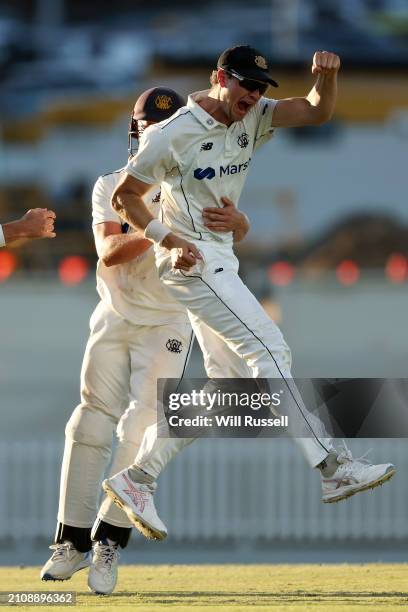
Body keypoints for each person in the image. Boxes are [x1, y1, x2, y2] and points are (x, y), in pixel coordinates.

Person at [102, 45, 395, 540]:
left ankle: (138, 478)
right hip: (192, 263)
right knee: (272, 350)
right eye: (245, 84)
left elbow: (318, 110)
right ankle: (331, 468)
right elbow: (124, 196)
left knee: (227, 388)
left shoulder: (256, 115)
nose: (254, 95)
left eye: (260, 88)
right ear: (220, 77)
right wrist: (168, 240)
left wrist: (325, 78)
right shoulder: (173, 132)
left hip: (221, 259)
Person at [40, 87, 250, 595]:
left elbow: (229, 231)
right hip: (114, 315)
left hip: (170, 322)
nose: (155, 134)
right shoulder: (113, 185)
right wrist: (163, 230)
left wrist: (239, 224)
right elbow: (109, 251)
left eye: (165, 126)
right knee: (89, 421)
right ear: (137, 131)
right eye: (148, 127)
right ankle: (70, 540)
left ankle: (108, 540)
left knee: (142, 425)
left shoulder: (200, 179)